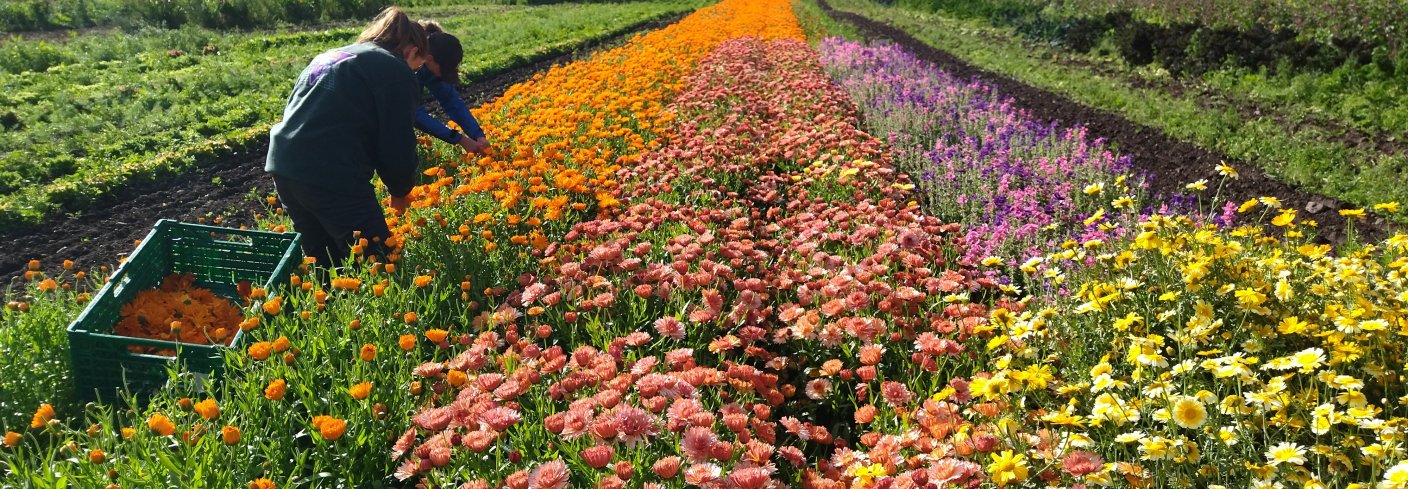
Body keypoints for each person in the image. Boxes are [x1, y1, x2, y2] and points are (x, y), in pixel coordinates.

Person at [264, 6, 427, 269]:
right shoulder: (394, 68)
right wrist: (400, 190)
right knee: (379, 261)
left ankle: (329, 306)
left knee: (324, 260)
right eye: (417, 67)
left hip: (284, 163)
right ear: (413, 51)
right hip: (330, 171)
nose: (414, 72)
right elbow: (396, 141)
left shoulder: (336, 55)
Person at [415, 21, 489, 154]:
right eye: (443, 70)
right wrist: (460, 139)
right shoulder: (406, 64)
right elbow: (414, 113)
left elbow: (450, 100)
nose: (441, 74)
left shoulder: (433, 56)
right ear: (429, 59)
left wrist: (477, 135)